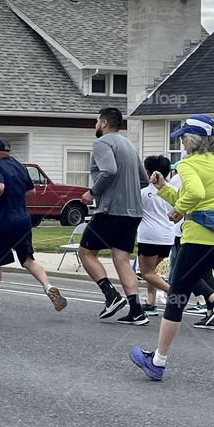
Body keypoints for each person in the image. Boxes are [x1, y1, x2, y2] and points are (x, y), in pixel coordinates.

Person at [132, 115, 214, 380]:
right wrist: (163, 188)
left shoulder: (188, 164)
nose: (181, 142)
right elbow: (193, 196)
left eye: (183, 138)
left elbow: (195, 194)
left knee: (176, 299)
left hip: (197, 241)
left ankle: (157, 362)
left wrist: (179, 210)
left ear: (192, 140)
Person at [0, 137, 67, 315]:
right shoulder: (20, 166)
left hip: (3, 220)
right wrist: (15, 195)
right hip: (23, 219)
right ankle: (48, 286)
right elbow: (31, 190)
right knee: (28, 260)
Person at [78, 107, 150, 325]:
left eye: (97, 121)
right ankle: (137, 311)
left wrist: (93, 192)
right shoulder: (129, 145)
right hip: (133, 211)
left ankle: (111, 295)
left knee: (86, 252)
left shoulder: (102, 143)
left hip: (111, 210)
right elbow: (144, 180)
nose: (96, 125)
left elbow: (109, 170)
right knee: (121, 258)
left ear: (104, 123)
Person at [137, 156, 175, 316]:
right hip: (168, 236)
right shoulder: (173, 191)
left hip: (149, 237)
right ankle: (151, 303)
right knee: (152, 271)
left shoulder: (143, 193)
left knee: (146, 273)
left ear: (148, 172)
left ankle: (174, 293)